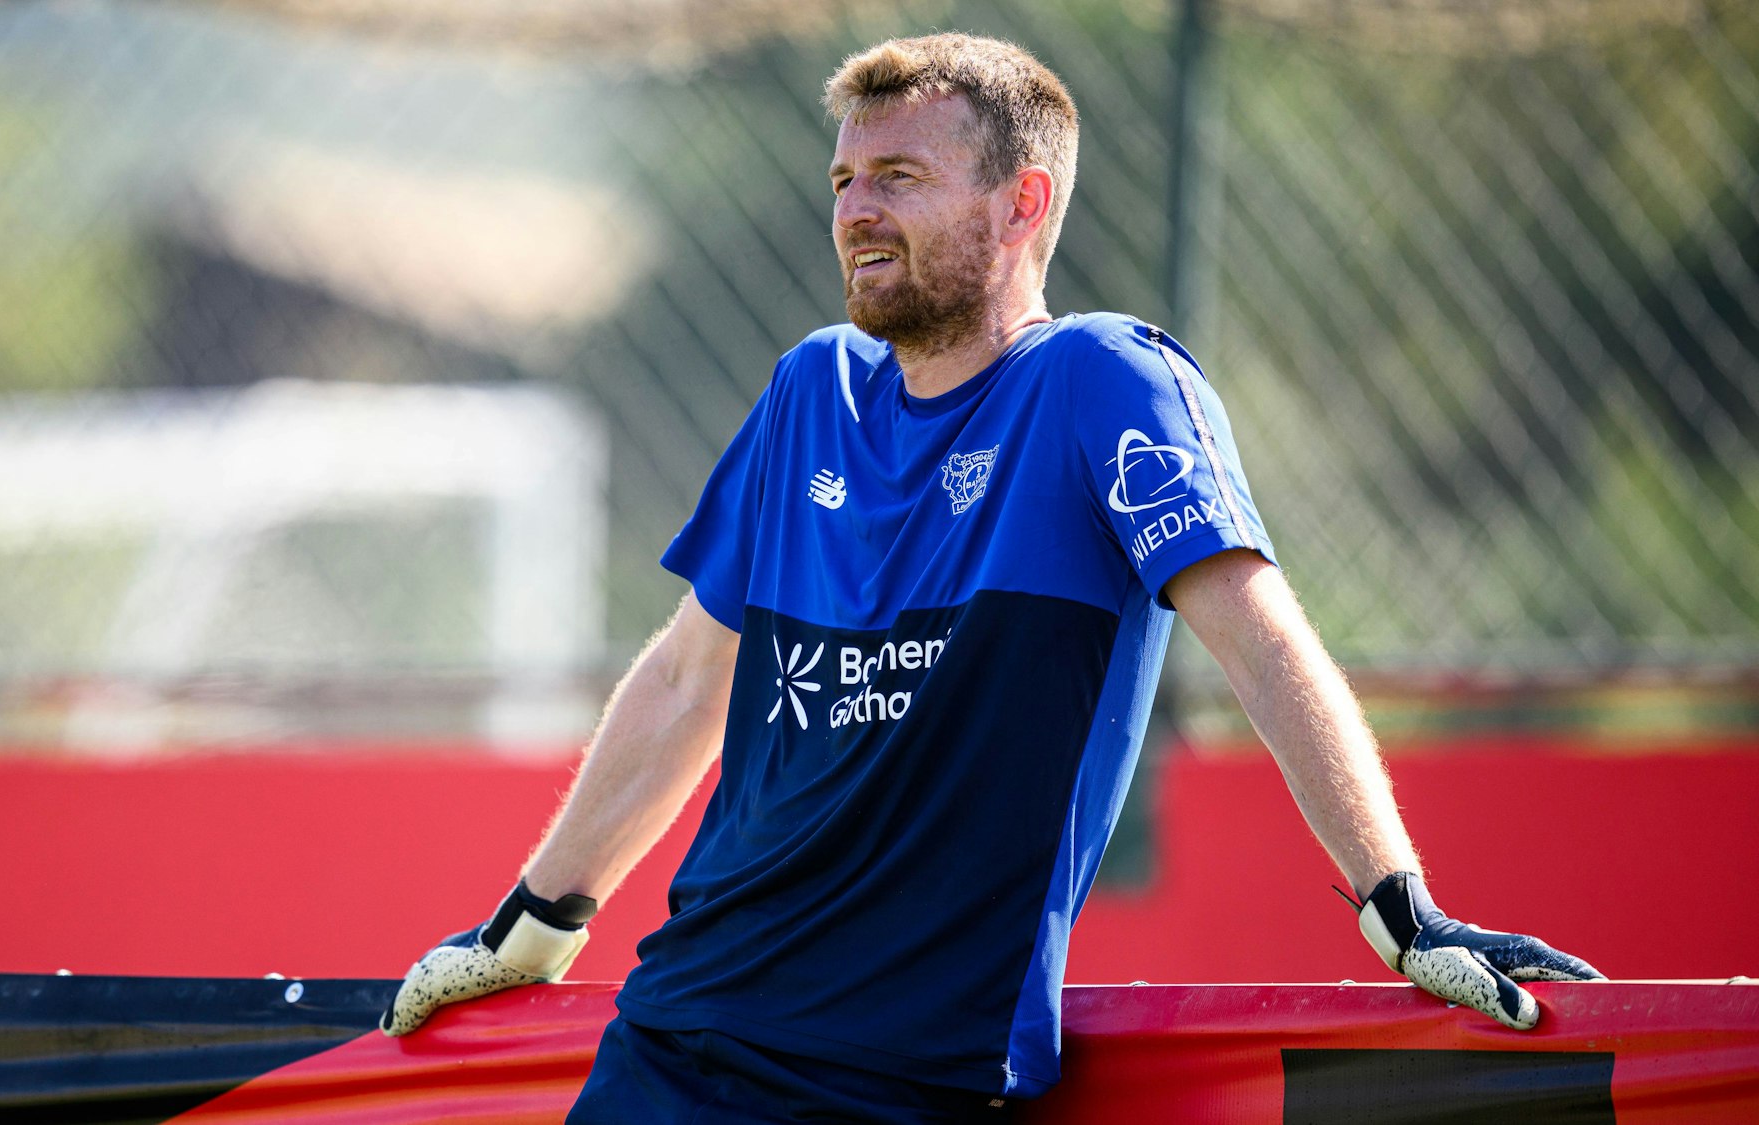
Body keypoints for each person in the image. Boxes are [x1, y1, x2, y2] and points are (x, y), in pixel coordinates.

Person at [380, 32, 1601, 1122]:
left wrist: (1398, 906)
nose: (855, 211)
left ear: (1022, 202)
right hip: (674, 1033)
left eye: (897, 177)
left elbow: (1260, 639)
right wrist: (536, 918)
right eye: (843, 182)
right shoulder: (810, 388)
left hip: (893, 1076)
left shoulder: (1097, 379)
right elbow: (684, 681)